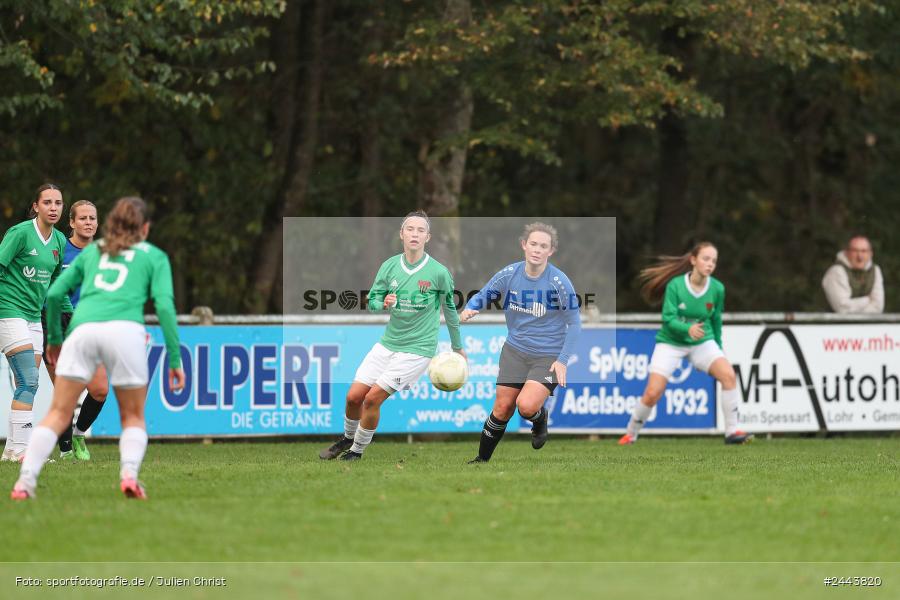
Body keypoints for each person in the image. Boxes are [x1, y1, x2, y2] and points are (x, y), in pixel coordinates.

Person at [11, 197, 185, 500]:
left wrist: (53, 338)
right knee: (132, 416)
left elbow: (53, 294)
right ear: (144, 228)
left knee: (57, 412)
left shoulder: (93, 252)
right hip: (125, 330)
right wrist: (174, 358)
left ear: (110, 223)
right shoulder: (153, 256)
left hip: (82, 329)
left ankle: (25, 482)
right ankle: (129, 476)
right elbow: (166, 308)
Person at [318, 211, 465, 461]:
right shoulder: (389, 266)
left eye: (420, 230)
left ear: (428, 237)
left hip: (418, 349)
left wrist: (457, 347)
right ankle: (347, 438)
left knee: (372, 399)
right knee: (353, 397)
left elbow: (450, 310)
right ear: (401, 234)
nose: (415, 234)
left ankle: (357, 451)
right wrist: (382, 302)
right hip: (388, 343)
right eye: (410, 229)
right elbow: (372, 300)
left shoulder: (439, 272)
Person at [461, 222, 582, 463]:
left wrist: (562, 361)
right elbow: (485, 294)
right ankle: (481, 461)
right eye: (533, 244)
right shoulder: (510, 274)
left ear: (551, 251)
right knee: (503, 408)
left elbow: (575, 324)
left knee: (525, 406)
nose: (537, 249)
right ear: (524, 245)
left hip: (548, 356)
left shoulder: (559, 282)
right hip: (515, 350)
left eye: (544, 246)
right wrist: (471, 308)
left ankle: (538, 418)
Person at [619, 242, 753, 445]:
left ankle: (732, 432)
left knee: (728, 375)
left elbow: (716, 320)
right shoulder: (676, 286)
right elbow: (668, 319)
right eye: (706, 259)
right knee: (652, 393)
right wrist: (687, 329)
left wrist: (718, 349)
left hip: (702, 341)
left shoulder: (717, 288)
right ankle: (631, 433)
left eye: (714, 261)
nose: (710, 264)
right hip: (671, 342)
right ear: (693, 260)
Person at [0, 183, 71, 462]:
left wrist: (69, 316)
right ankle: (23, 450)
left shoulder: (59, 241)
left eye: (58, 203)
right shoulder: (20, 233)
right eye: (47, 203)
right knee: (29, 379)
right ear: (36, 206)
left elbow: (56, 285)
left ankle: (11, 449)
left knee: (26, 383)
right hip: (9, 310)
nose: (53, 208)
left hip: (33, 317)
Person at [42, 200, 109, 461]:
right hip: (57, 322)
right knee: (64, 390)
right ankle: (66, 449)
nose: (89, 222)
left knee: (100, 388)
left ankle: (79, 433)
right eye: (83, 218)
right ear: (71, 223)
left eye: (93, 218)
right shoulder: (59, 249)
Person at [822, 235, 884, 313]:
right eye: (855, 251)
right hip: (834, 324)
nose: (860, 256)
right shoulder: (836, 271)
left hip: (868, 324)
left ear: (870, 254)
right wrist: (867, 300)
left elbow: (878, 307)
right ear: (847, 252)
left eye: (864, 251)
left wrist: (854, 305)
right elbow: (842, 309)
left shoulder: (875, 270)